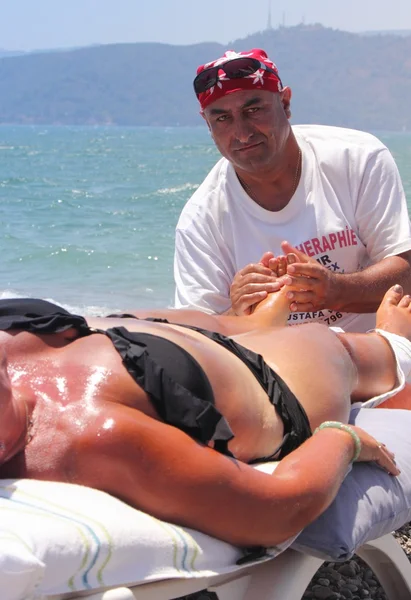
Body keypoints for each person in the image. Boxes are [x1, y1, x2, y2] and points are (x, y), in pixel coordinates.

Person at [1, 283, 411, 549]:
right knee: (338, 347)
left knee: (137, 322)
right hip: (268, 381)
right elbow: (272, 513)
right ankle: (393, 341)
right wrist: (343, 440)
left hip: (127, 342)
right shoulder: (89, 436)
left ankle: (248, 322)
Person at [174, 48, 411, 333]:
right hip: (276, 369)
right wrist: (241, 312)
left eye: (254, 110)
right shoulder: (200, 219)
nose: (242, 133)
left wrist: (333, 289)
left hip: (372, 355)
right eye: (222, 119)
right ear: (207, 124)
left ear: (285, 103)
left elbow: (406, 273)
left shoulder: (358, 158)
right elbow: (195, 338)